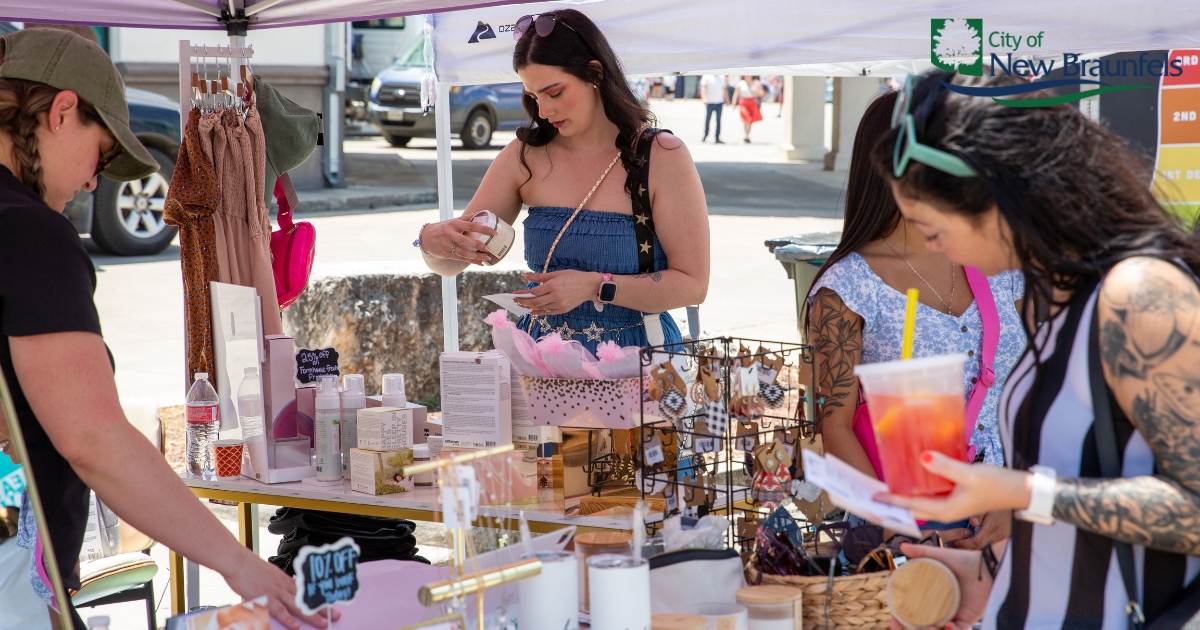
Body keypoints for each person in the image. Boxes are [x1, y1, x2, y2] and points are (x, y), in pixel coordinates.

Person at [0, 29, 333, 630]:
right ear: (62, 112)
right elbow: (94, 439)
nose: (92, 182)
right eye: (101, 156)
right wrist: (241, 564)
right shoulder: (28, 232)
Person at [873, 70, 1200, 629]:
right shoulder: (1048, 300)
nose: (931, 247)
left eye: (932, 228)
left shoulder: (1138, 297)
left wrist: (1022, 491)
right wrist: (992, 577)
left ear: (997, 198)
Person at [414, 10, 709, 354]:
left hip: (636, 358)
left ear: (595, 73)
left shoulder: (661, 155)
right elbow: (452, 263)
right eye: (533, 97)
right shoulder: (524, 156)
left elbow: (692, 285)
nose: (543, 111)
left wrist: (596, 287)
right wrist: (431, 241)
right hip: (541, 359)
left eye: (554, 93)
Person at [806, 89, 1025, 546]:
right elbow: (834, 427)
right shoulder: (846, 288)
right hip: (913, 535)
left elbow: (1040, 385)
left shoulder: (997, 260)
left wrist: (1020, 494)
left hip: (1015, 516)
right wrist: (899, 529)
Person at [735, 75, 764, 143]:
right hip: (743, 102)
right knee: (746, 118)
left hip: (752, 102)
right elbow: (736, 94)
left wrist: (756, 92)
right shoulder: (741, 83)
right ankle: (746, 135)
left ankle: (747, 135)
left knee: (750, 120)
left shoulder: (756, 82)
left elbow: (762, 93)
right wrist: (733, 104)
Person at [699, 74, 727, 143]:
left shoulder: (722, 76)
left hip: (719, 102)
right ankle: (706, 134)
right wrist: (703, 98)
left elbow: (724, 89)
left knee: (718, 120)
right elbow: (703, 87)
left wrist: (727, 100)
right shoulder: (707, 76)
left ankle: (717, 137)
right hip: (710, 102)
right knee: (708, 119)